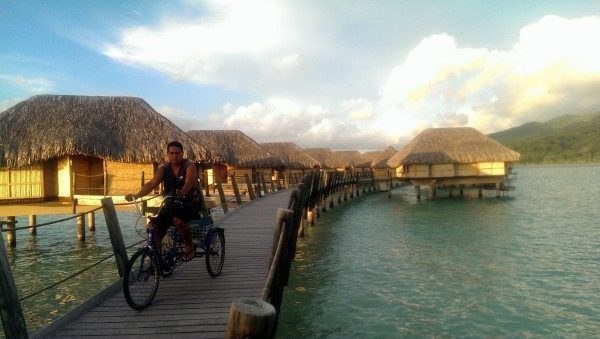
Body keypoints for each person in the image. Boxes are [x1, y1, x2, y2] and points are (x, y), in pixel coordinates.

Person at [126, 141, 199, 261]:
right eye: (171, 153)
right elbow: (152, 183)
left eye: (177, 153)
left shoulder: (189, 165)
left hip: (189, 204)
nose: (174, 155)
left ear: (182, 153)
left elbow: (189, 182)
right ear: (167, 154)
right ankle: (157, 259)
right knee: (153, 226)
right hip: (170, 205)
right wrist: (137, 195)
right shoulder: (164, 168)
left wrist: (183, 192)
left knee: (177, 220)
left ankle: (189, 244)